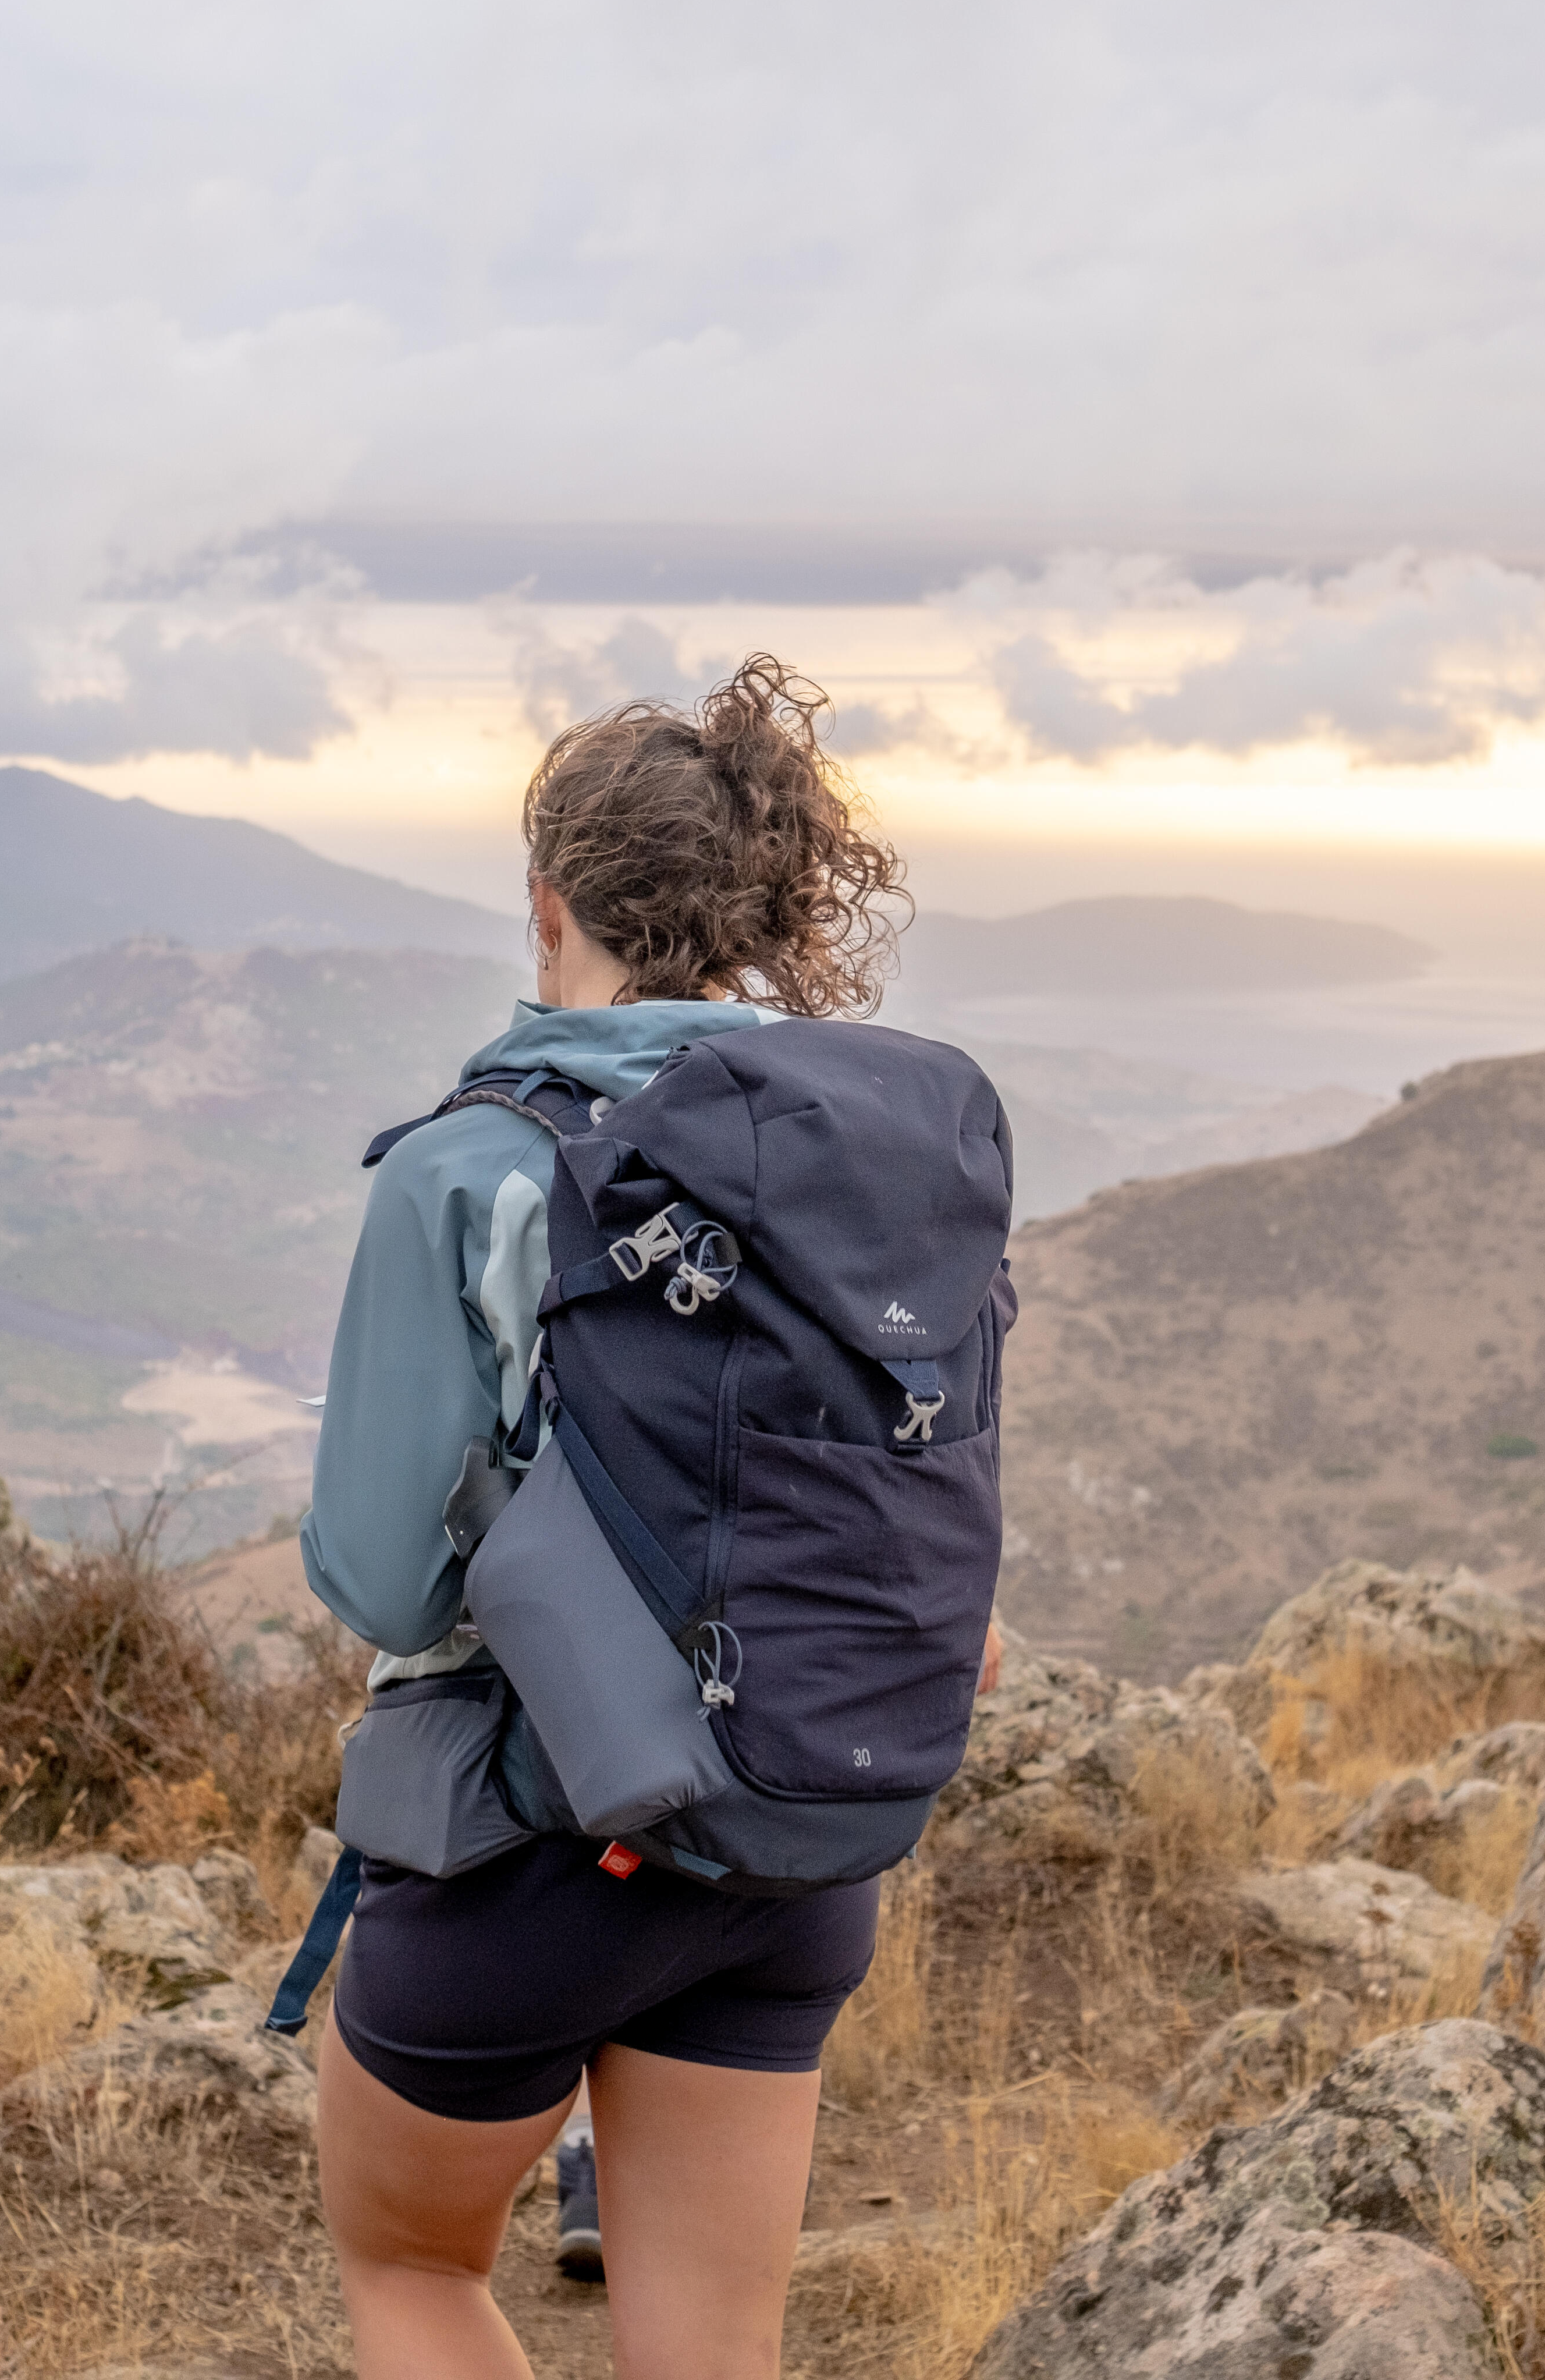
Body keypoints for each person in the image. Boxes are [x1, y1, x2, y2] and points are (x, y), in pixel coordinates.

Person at [297, 657, 921, 2379]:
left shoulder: (473, 1164)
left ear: (547, 901)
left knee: (412, 2264)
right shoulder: (860, 1142)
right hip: (795, 1840)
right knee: (712, 2352)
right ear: (761, 906)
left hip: (534, 1838)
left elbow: (382, 1573)